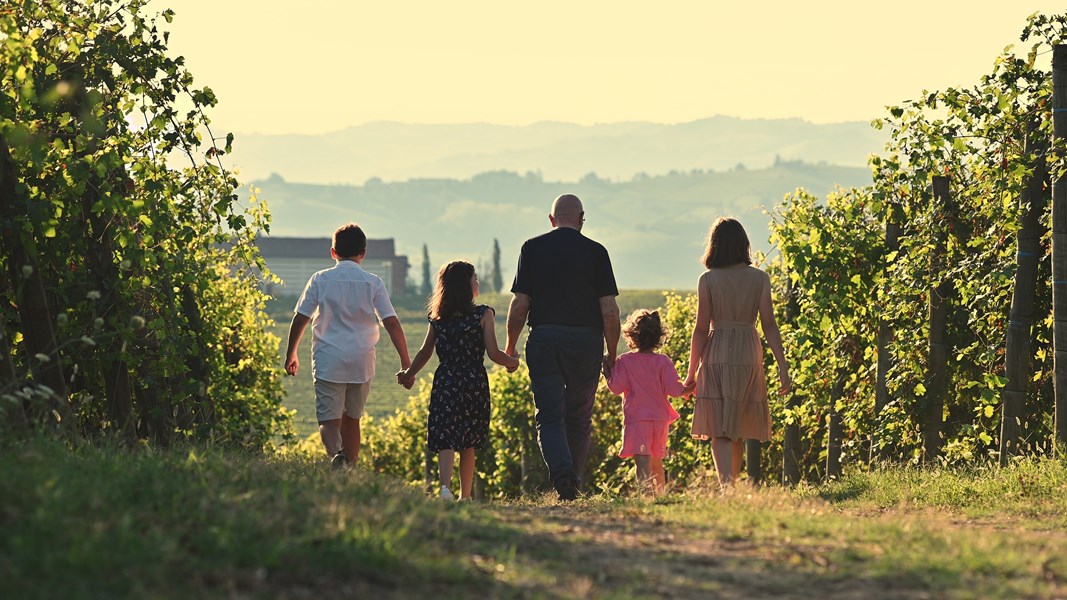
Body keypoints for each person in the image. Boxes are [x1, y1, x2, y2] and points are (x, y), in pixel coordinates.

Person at [505, 193, 621, 501]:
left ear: (551, 219)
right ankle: (574, 479)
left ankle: (563, 476)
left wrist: (511, 347)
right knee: (580, 417)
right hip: (586, 342)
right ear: (582, 219)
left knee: (550, 416)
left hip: (545, 339)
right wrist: (611, 353)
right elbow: (609, 310)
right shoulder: (597, 253)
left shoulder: (532, 248)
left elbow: (520, 305)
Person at [285, 223, 411, 469]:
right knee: (352, 419)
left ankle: (336, 457)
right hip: (361, 360)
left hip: (328, 358)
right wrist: (406, 362)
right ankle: (350, 470)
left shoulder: (320, 279)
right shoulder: (373, 282)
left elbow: (301, 317)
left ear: (333, 252)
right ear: (363, 253)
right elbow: (391, 323)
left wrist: (292, 353)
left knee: (329, 420)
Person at [397, 261, 519, 501]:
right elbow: (493, 353)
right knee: (469, 441)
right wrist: (512, 362)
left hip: (446, 381)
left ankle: (444, 488)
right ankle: (465, 495)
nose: (478, 282)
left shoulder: (437, 318)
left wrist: (409, 373)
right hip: (473, 381)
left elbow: (424, 352)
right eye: (475, 278)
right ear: (466, 285)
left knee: (446, 437)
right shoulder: (483, 314)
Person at [683, 217, 790, 486]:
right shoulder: (760, 278)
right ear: (744, 244)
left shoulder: (707, 280)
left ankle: (725, 487)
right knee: (738, 424)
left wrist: (691, 371)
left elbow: (699, 329)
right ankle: (732, 486)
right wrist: (782, 366)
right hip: (748, 350)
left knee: (720, 425)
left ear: (714, 245)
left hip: (717, 349)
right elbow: (769, 325)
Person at [605, 309, 692, 495]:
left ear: (632, 336)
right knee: (656, 460)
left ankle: (644, 495)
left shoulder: (625, 361)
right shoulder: (663, 361)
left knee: (642, 461)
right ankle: (660, 495)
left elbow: (616, 388)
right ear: (658, 337)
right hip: (660, 420)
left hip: (637, 420)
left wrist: (607, 373)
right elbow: (675, 390)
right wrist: (691, 388)